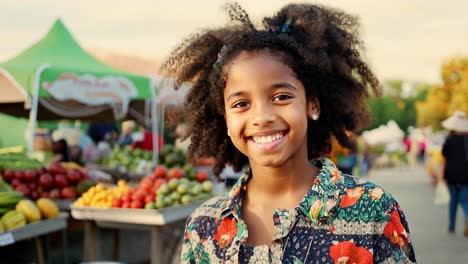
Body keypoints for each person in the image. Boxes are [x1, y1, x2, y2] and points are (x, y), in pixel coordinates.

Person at [163, 3, 416, 263]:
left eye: (281, 97)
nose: (261, 117)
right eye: (241, 104)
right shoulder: (204, 226)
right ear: (226, 118)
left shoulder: (374, 210)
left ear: (312, 105)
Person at [438, 110, 468, 236]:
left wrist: (441, 175)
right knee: (465, 200)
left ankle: (451, 227)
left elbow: (444, 158)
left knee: (453, 202)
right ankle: (467, 216)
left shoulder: (449, 140)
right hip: (466, 174)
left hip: (451, 174)